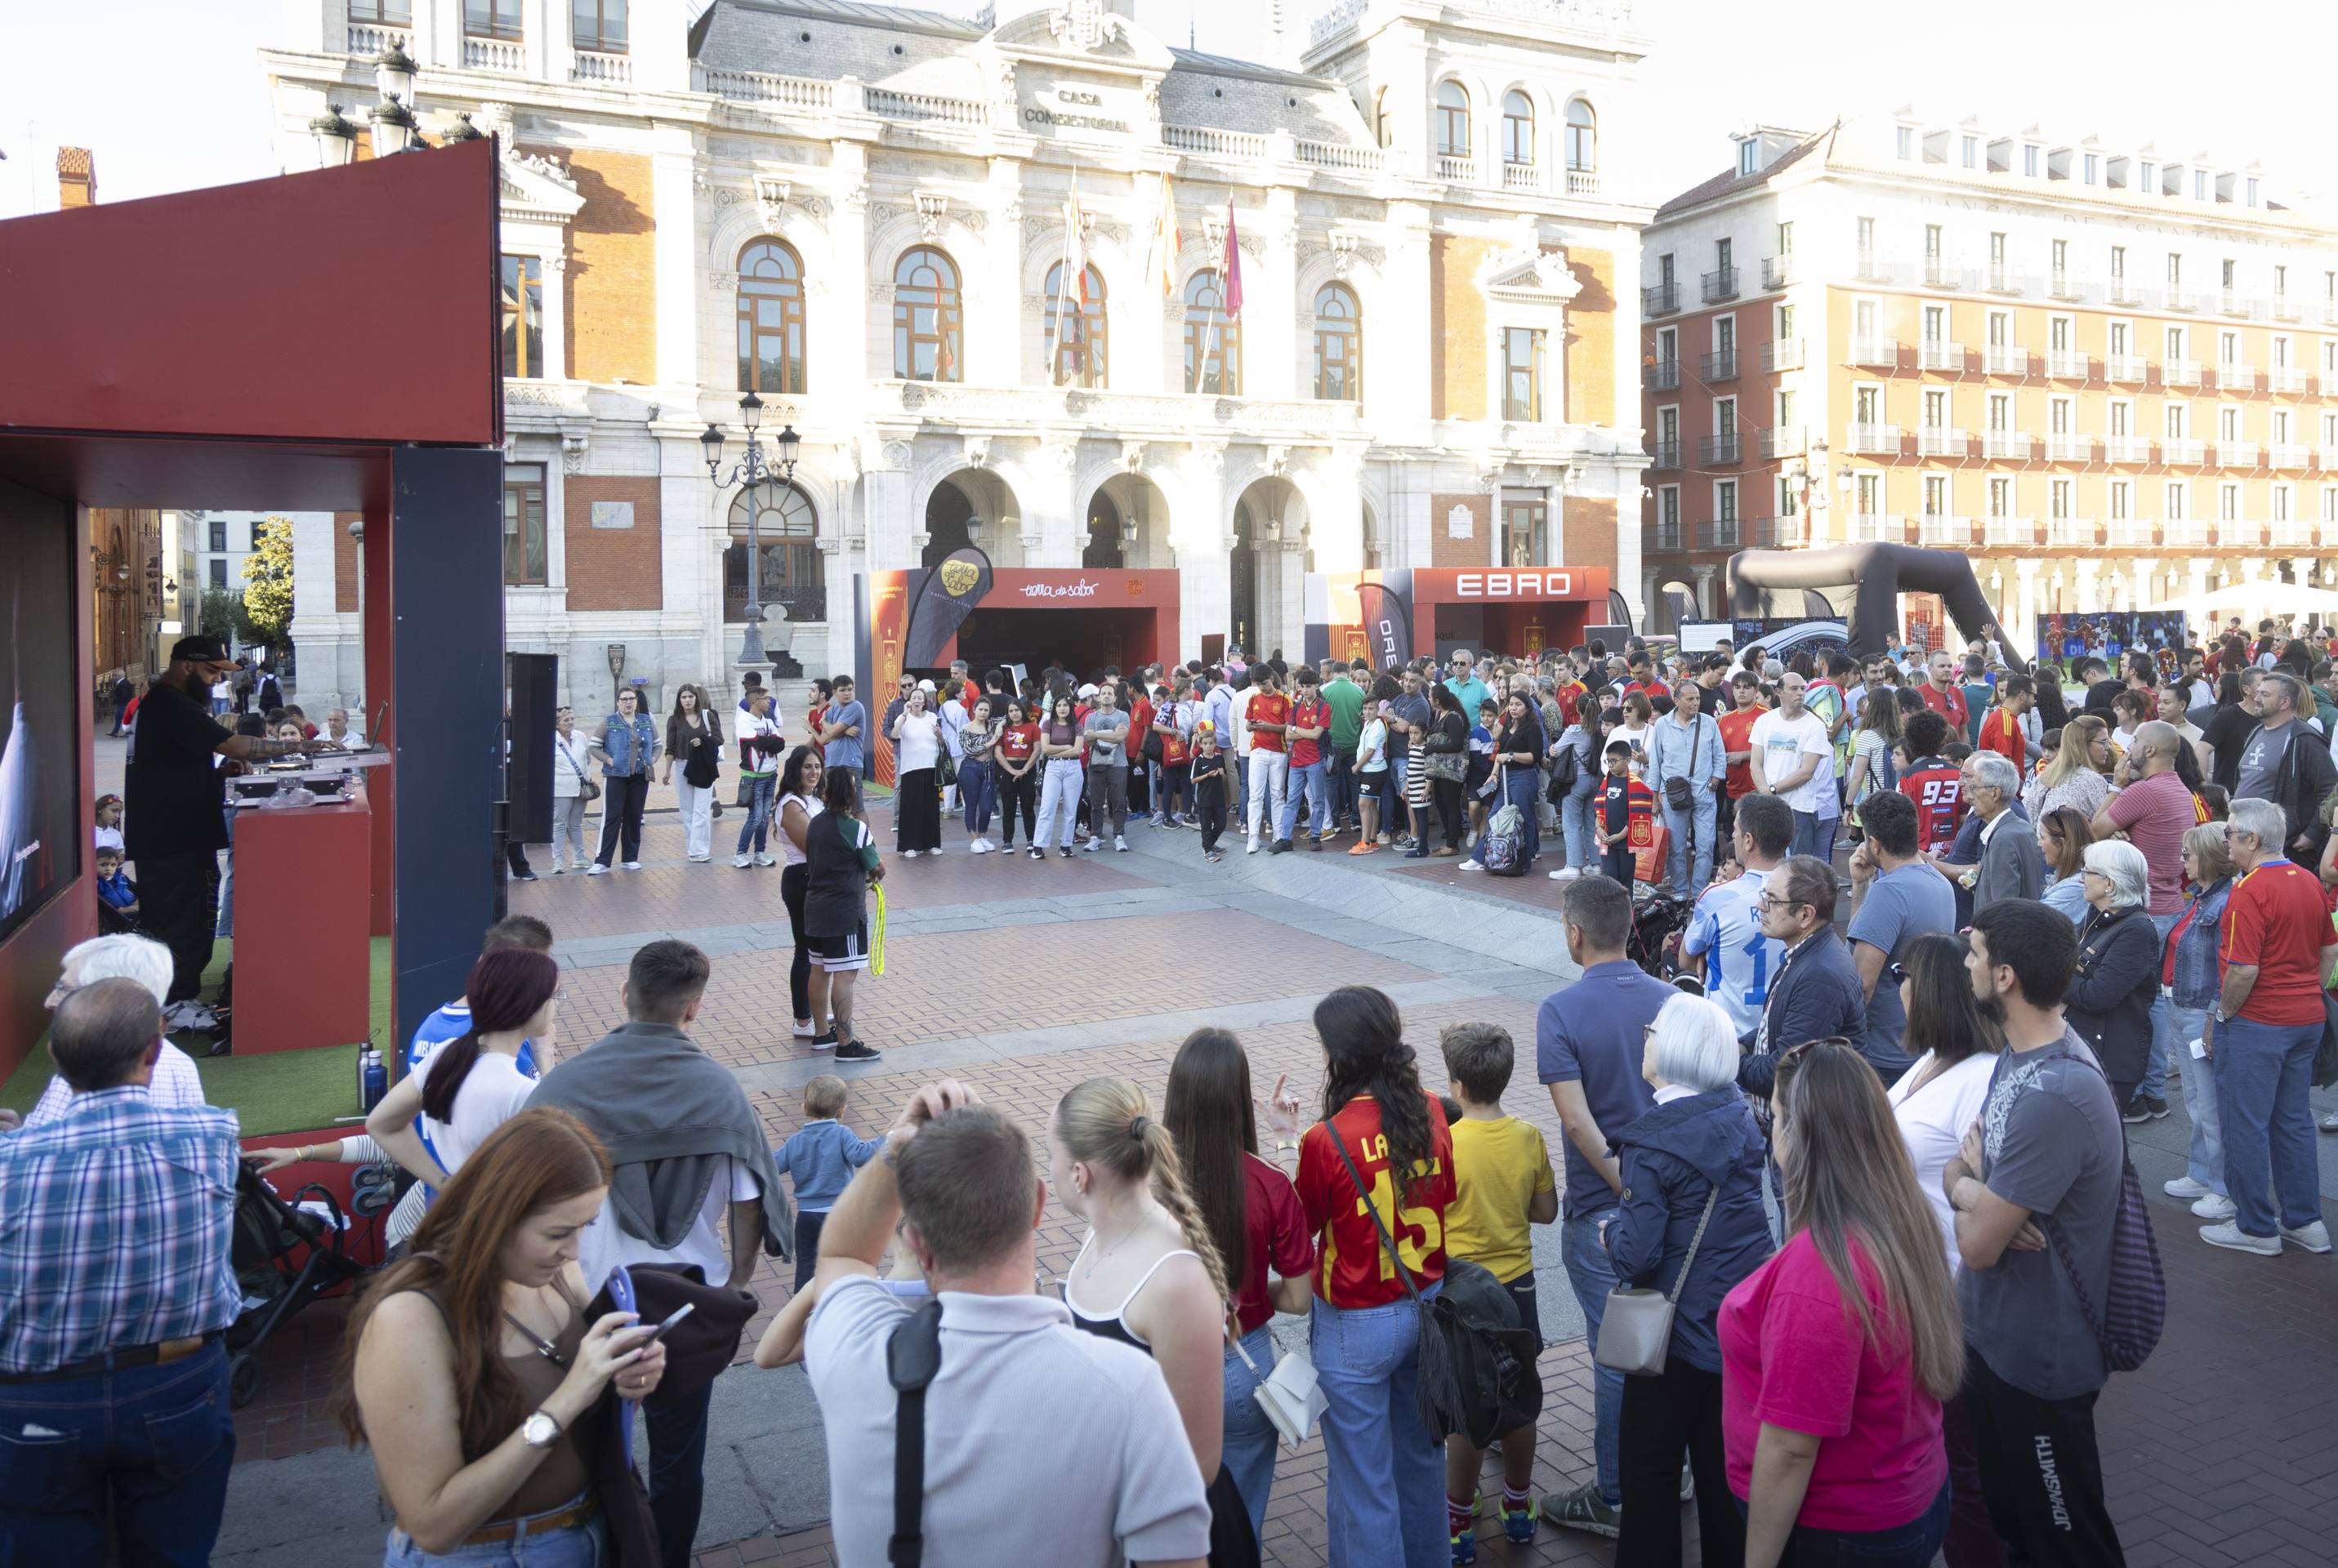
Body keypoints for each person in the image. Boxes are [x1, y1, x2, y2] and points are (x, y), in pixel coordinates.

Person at [801, 1081, 1214, 1568]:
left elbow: (843, 1254)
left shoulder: (855, 1354)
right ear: (1038, 1206)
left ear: (916, 1243)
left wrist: (896, 1148)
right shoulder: (1128, 1390)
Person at [527, 941, 797, 1566]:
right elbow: (750, 1203)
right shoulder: (718, 1090)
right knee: (679, 1459)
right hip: (684, 1306)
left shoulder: (561, 1087)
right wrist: (735, 1282)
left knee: (591, 1448)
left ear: (625, 994)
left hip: (585, 1305)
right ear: (694, 1008)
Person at [337, 1109, 668, 1564]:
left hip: (589, 1530)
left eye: (585, 1227)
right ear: (498, 1214)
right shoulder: (410, 1317)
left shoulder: (554, 1271)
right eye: (558, 1232)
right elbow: (434, 1526)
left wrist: (629, 1380)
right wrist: (569, 1398)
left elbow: (590, 1400)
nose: (575, 1250)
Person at [0, 980, 242, 1564]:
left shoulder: (12, 1163)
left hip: (40, 1401)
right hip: (179, 1385)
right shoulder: (213, 1136)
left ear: (55, 1060)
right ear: (155, 1052)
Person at [1724, 1040, 1961, 1568]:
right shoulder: (1900, 1219)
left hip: (1839, 1528)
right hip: (1909, 1488)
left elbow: (1790, 1449)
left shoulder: (1820, 1271)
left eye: (1778, 1119)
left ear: (1797, 1138)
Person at [1944, 901, 2127, 1564]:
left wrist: (1976, 1192)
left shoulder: (2055, 1091)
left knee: (2067, 1542)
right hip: (1992, 1348)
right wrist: (1976, 1190)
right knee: (2016, 1527)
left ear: (2005, 977)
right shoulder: (2018, 1058)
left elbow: (1976, 1246)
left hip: (2038, 1368)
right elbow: (1953, 1172)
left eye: (1975, 953)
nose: (1965, 963)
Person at [1054, 1077, 1257, 1566]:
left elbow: (1198, 1463)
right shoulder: (1097, 1233)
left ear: (1080, 1174)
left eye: (1051, 1155)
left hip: (1168, 1536)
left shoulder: (1174, 1282)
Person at [1294, 987, 1457, 1567]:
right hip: (1427, 1305)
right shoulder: (1431, 1107)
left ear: (1340, 1055)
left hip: (1355, 1323)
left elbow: (1302, 1227)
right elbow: (1448, 1194)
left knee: (1364, 1485)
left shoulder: (1325, 1138)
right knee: (1420, 1465)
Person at [1607, 995, 1770, 1568]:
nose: (1644, 1038)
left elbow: (1637, 1256)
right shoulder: (1737, 1114)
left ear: (1673, 1046)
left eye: (1651, 1030)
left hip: (1673, 1338)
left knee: (1649, 1480)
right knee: (1724, 1479)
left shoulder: (1652, 1144)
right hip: (1739, 1325)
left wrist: (1608, 1236)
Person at [1535, 875, 1674, 1538]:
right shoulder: (1671, 999)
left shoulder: (1560, 1010)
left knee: (1616, 1353)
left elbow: (1576, 1120)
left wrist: (1624, 1184)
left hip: (1603, 1209)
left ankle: (1616, 1495)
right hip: (1671, 1202)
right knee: (1663, 1338)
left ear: (1574, 932)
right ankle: (1666, 1471)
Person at [124, 634, 324, 1029]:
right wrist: (294, 748)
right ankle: (174, 1004)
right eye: (212, 670)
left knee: (189, 917)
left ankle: (180, 998)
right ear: (185, 666)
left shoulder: (171, 704)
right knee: (181, 920)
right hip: (171, 838)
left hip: (175, 833)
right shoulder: (170, 702)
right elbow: (233, 743)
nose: (217, 680)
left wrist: (219, 775)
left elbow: (176, 769)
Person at [1163, 1029, 1314, 1544]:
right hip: (1242, 1365)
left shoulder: (1145, 1183)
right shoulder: (1269, 1184)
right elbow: (1297, 1299)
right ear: (1239, 1100)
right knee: (1239, 1525)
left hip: (1160, 1365)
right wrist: (1285, 1142)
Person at [1437, 1022, 1556, 1560]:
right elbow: (1545, 1211)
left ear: (1457, 1085)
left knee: (1466, 1403)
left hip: (1460, 1291)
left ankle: (1459, 1519)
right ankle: (1517, 1505)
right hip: (1517, 1288)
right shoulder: (1528, 1137)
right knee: (1520, 1397)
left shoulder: (1445, 1141)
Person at [2204, 797, 2335, 1255]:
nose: (2225, 840)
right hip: (2306, 1018)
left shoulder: (2250, 890)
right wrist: (2307, 993)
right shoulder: (2309, 882)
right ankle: (2304, 1221)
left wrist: (2222, 1014)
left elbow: (2243, 969)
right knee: (2294, 1120)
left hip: (2259, 1022)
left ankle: (2256, 1226)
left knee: (2247, 1123)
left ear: (2251, 840)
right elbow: (2328, 952)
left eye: (2230, 833)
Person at [365, 947, 560, 1227]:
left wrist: (444, 1183)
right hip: (496, 1233)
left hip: (447, 1220)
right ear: (530, 1005)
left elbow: (380, 1123)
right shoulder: (519, 1091)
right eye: (554, 996)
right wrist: (546, 1060)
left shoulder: (445, 1054)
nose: (556, 1005)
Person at [2094, 719, 2200, 1120]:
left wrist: (2117, 787)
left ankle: (2135, 1094)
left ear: (2151, 750)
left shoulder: (2144, 791)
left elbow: (2093, 829)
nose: (2129, 748)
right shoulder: (2178, 789)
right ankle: (2152, 1091)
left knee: (2132, 1009)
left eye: (2135, 741)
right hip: (2169, 906)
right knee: (2153, 1004)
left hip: (2143, 911)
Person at [1883, 934, 2002, 1269]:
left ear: (1929, 991)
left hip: (1943, 1275)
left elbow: (1991, 1200)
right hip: (1905, 1264)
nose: (1898, 987)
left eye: (1900, 975)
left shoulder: (1981, 1078)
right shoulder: (1933, 1058)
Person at [1845, 791, 1957, 1080]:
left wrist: (1843, 1048)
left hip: (1883, 1052)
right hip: (1921, 1043)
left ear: (1874, 844)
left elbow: (1862, 983)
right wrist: (1861, 885)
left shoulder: (1889, 892)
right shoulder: (1940, 882)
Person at [2161, 825, 2237, 1218]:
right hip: (2183, 1007)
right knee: (2197, 1100)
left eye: (2187, 854)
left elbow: (2228, 968)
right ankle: (2202, 1173)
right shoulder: (2203, 897)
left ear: (2205, 857)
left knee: (2209, 1104)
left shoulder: (2223, 901)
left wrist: (2211, 1016)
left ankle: (2223, 1188)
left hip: (2198, 1010)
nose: (2182, 860)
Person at [2061, 840, 2161, 1116]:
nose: (2081, 877)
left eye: (2087, 871)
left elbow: (2098, 996)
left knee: (2103, 1150)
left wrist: (2053, 976)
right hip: (2089, 1050)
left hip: (2110, 1060)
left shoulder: (2136, 931)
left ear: (2110, 884)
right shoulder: (2099, 916)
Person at [1682, 793, 1791, 1042]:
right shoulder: (1805, 893)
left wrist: (1705, 953)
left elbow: (1685, 958)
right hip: (1781, 1037)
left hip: (1725, 1037)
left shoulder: (1718, 896)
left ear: (1749, 841)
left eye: (1736, 830)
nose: (1733, 836)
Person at [798, 767, 886, 1062]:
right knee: (846, 974)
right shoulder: (855, 828)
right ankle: (846, 1043)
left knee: (819, 969)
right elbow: (877, 867)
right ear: (851, 792)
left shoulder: (815, 824)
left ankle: (823, 1033)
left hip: (815, 908)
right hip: (844, 912)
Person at [772, 1075, 882, 1289]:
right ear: (842, 1110)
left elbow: (773, 1165)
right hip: (840, 1213)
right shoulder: (841, 1133)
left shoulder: (795, 1141)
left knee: (807, 1265)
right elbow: (861, 1156)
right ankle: (849, 1297)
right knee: (849, 1261)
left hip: (807, 1216)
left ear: (804, 1108)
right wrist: (887, 1138)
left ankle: (805, 1310)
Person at [1749, 855, 1867, 1058]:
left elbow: (1786, 1069)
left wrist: (1731, 1062)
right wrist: (1737, 1046)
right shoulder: (1808, 951)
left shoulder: (1819, 976)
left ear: (1805, 915)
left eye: (1772, 900)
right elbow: (1774, 1027)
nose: (1760, 905)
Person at [2231, 671, 2336, 859]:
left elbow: (2330, 788)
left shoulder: (2304, 739)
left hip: (2283, 847)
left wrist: (2312, 833)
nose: (2256, 698)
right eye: (2258, 693)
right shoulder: (2257, 731)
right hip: (2246, 840)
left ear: (2285, 702)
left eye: (2265, 695)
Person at [1649, 678, 1725, 896]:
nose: (1695, 703)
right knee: (1676, 847)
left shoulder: (1709, 722)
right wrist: (1655, 797)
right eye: (1690, 699)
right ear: (1676, 700)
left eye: (1698, 699)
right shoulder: (1663, 725)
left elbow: (1719, 757)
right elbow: (1656, 762)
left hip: (1704, 793)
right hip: (1674, 795)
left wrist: (1714, 783)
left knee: (1706, 844)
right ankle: (1681, 891)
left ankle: (1700, 891)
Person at [1749, 672, 1833, 861]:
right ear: (1779, 692)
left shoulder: (1814, 725)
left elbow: (1806, 772)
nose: (1800, 693)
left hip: (1800, 807)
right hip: (1769, 805)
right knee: (1767, 861)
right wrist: (1765, 792)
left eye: (1803, 688)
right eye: (1794, 689)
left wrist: (1771, 790)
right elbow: (1755, 763)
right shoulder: (1765, 720)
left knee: (1799, 866)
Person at [774, 746, 827, 1042]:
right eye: (808, 767)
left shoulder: (814, 799)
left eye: (817, 767)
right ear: (796, 770)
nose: (814, 772)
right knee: (805, 950)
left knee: (817, 951)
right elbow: (813, 844)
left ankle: (813, 1007)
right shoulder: (791, 804)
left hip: (817, 877)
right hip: (801, 877)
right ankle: (802, 1018)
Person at [587, 686, 657, 874]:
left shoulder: (646, 721)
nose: (628, 702)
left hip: (640, 776)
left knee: (634, 816)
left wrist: (652, 760)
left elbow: (657, 745)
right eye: (624, 699)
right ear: (618, 702)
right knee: (612, 817)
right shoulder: (609, 722)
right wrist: (609, 760)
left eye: (631, 699)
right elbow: (593, 747)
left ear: (636, 701)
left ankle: (630, 858)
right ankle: (602, 860)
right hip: (616, 775)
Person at [1965, 753, 2043, 915]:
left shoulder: (2003, 839)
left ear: (1995, 793)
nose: (1969, 796)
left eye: (1974, 788)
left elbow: (2003, 912)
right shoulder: (2021, 828)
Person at [662, 684, 723, 865]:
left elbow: (719, 739)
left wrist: (703, 741)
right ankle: (692, 849)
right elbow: (670, 747)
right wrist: (667, 770)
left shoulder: (707, 716)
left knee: (702, 810)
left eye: (690, 697)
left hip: (703, 766)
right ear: (679, 700)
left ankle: (700, 850)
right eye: (684, 697)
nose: (687, 700)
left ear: (696, 698)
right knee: (687, 810)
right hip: (682, 766)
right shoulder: (674, 720)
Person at [730, 689, 786, 869]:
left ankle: (760, 853)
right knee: (755, 817)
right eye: (765, 699)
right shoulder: (744, 720)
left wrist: (767, 741)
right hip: (753, 777)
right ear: (755, 701)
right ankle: (740, 854)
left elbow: (780, 744)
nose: (769, 702)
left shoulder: (768, 722)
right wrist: (768, 742)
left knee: (764, 818)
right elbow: (759, 743)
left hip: (770, 774)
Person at [2022, 712, 2113, 822]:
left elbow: (2026, 817)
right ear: (2083, 745)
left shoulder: (2045, 776)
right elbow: (2112, 822)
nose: (2108, 747)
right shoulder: (2091, 780)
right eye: (2103, 742)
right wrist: (2118, 786)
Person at [1281, 667, 1335, 852]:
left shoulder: (1323, 707)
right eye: (1302, 687)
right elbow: (1288, 733)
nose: (1304, 690)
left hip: (1315, 760)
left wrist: (1296, 731)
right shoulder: (1296, 706)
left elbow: (1316, 735)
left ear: (1316, 686)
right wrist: (1300, 732)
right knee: (1291, 801)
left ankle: (1315, 836)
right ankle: (1285, 838)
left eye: (1308, 686)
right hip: (1297, 761)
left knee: (1318, 800)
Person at [890, 684, 944, 858]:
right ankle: (909, 845)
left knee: (930, 807)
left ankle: (932, 843)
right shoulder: (903, 718)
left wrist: (939, 735)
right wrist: (905, 715)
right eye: (914, 698)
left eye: (920, 698)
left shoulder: (932, 717)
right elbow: (894, 734)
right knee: (911, 807)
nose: (917, 701)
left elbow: (940, 742)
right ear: (909, 701)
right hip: (910, 768)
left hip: (930, 767)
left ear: (925, 701)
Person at [1082, 679, 1134, 853]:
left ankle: (1119, 836)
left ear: (1114, 696)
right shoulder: (1091, 717)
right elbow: (1088, 739)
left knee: (1118, 801)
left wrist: (1097, 735)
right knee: (1096, 802)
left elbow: (1121, 738)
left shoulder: (1123, 716)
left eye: (1109, 693)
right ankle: (1096, 836)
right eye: (1103, 693)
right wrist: (1110, 734)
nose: (1106, 696)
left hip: (1118, 764)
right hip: (1096, 764)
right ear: (1098, 697)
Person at [1033, 692, 1086, 860]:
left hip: (1073, 767)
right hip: (1053, 768)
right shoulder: (1048, 724)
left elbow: (1078, 750)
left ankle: (1066, 844)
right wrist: (1067, 747)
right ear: (1055, 708)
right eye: (1059, 705)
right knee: (1047, 807)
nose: (1062, 708)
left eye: (1065, 705)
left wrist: (1059, 750)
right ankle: (1039, 845)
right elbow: (1045, 748)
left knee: (1071, 809)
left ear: (1070, 707)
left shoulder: (1076, 725)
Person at [549, 706, 596, 873]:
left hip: (581, 788)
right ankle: (558, 861)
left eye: (572, 719)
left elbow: (587, 759)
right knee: (559, 824)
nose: (570, 723)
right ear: (557, 723)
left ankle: (580, 858)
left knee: (576, 824)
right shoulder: (550, 739)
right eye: (566, 720)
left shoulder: (580, 736)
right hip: (561, 788)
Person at [993, 696, 1040, 851]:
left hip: (1027, 766)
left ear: (1023, 711)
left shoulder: (1033, 727)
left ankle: (1031, 840)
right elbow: (998, 752)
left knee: (1028, 807)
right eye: (1011, 711)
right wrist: (1011, 770)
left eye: (1017, 710)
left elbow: (1037, 749)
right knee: (1008, 807)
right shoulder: (1004, 728)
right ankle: (1007, 841)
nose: (1014, 713)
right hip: (1008, 768)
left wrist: (1026, 769)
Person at [957, 696, 1002, 853]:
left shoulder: (992, 724)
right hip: (970, 768)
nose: (983, 713)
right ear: (974, 709)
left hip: (988, 768)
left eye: (986, 710)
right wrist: (991, 742)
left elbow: (1006, 718)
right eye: (980, 709)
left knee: (986, 806)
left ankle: (983, 836)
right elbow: (970, 750)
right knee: (971, 805)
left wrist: (1001, 727)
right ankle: (974, 839)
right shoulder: (966, 729)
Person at [2037, 806, 2095, 924]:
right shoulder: (2067, 879)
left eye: (2043, 838)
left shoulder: (2076, 887)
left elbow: (2029, 922)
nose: (2039, 843)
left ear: (2061, 843)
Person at [1349, 693, 1390, 855]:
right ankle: (1372, 841)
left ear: (1377, 709)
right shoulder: (1368, 724)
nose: (1367, 712)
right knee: (1371, 805)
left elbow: (1371, 751)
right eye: (1365, 709)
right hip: (1369, 770)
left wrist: (1356, 766)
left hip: (1373, 771)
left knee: (1363, 805)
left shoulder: (1378, 725)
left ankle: (1365, 842)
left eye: (1371, 709)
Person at [816, 674, 866, 805]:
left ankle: (863, 827)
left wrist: (824, 722)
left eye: (850, 689)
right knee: (832, 805)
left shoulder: (855, 707)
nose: (847, 693)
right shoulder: (832, 710)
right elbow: (823, 739)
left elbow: (831, 732)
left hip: (850, 764)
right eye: (842, 690)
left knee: (856, 807)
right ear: (834, 692)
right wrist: (844, 731)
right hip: (831, 763)